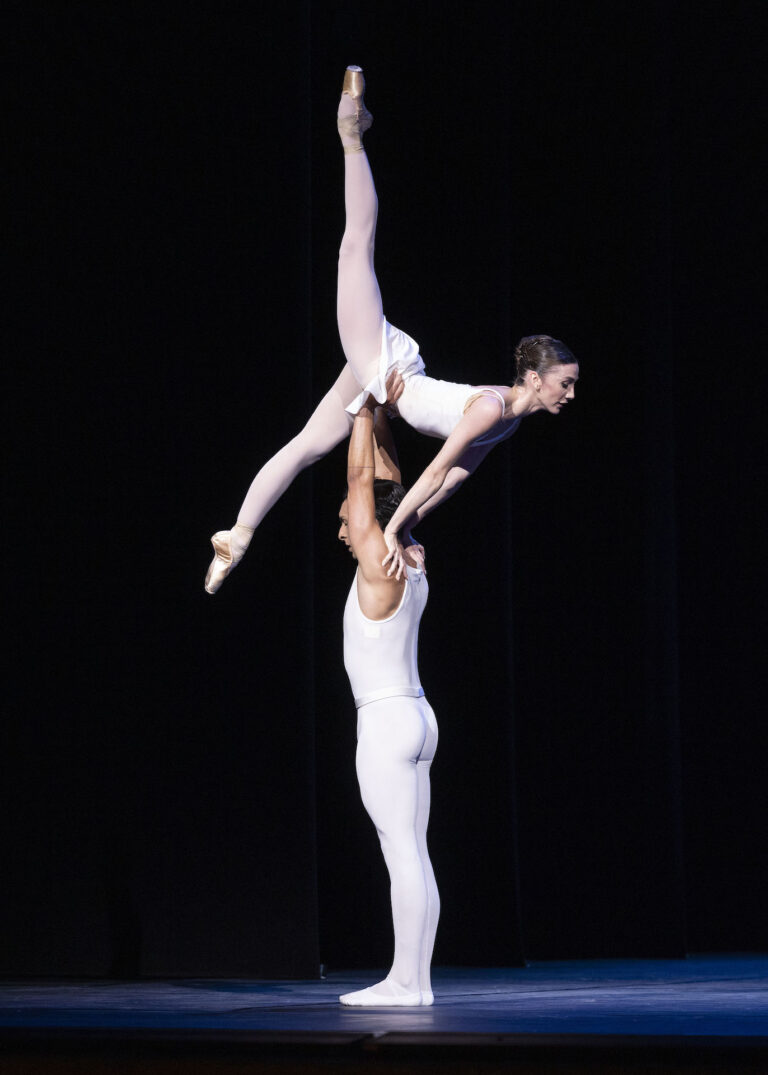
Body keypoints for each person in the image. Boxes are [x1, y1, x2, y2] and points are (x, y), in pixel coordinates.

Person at [205, 65, 579, 593]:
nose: (571, 393)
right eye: (565, 382)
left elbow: (450, 482)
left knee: (309, 446)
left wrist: (408, 528)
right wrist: (394, 530)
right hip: (386, 363)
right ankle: (351, 136)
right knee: (357, 242)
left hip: (385, 380)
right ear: (536, 379)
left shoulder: (509, 421)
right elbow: (431, 472)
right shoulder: (494, 407)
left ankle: (236, 539)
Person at [336, 393, 438, 1006]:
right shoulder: (409, 555)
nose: (343, 524)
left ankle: (407, 982)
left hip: (386, 721)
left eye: (349, 516)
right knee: (414, 853)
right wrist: (379, 418)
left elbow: (360, 482)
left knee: (402, 853)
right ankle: (416, 982)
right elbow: (386, 482)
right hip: (417, 714)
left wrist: (355, 412)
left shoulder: (380, 560)